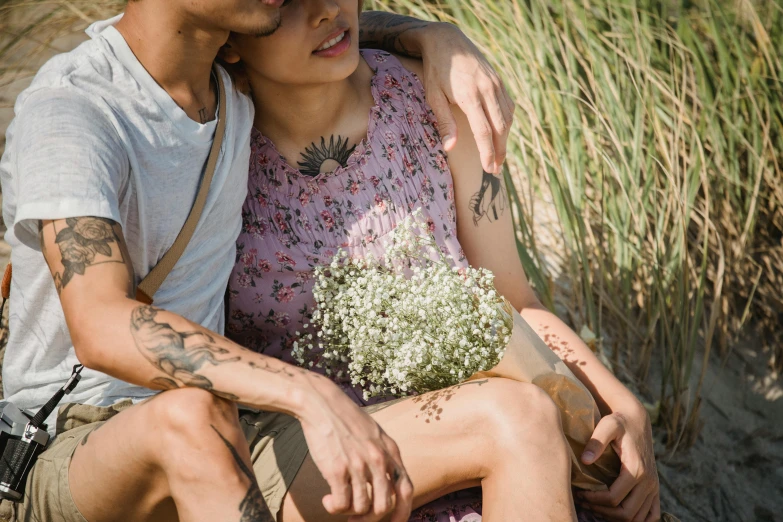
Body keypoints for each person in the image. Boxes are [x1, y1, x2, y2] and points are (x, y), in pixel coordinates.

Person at [0, 0, 515, 520]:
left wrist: (434, 36)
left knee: (512, 420)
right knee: (189, 420)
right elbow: (99, 324)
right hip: (68, 445)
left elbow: (318, 24)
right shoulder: (72, 109)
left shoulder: (232, 85)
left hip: (231, 427)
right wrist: (304, 391)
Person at [221, 1, 662, 521]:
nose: (328, 9)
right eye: (290, 0)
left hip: (494, 438)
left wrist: (619, 400)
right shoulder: (211, 150)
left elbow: (513, 300)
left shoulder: (436, 102)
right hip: (328, 464)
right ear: (228, 32)